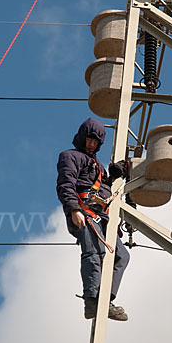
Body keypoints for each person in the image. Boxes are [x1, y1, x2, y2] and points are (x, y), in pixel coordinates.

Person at [57, 118, 130, 320]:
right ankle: (92, 301)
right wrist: (73, 209)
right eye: (89, 140)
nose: (91, 145)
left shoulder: (96, 165)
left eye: (95, 142)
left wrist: (112, 177)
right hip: (83, 213)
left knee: (121, 256)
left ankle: (105, 301)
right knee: (93, 253)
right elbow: (66, 184)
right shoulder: (69, 157)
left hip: (101, 217)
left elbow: (100, 188)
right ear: (82, 137)